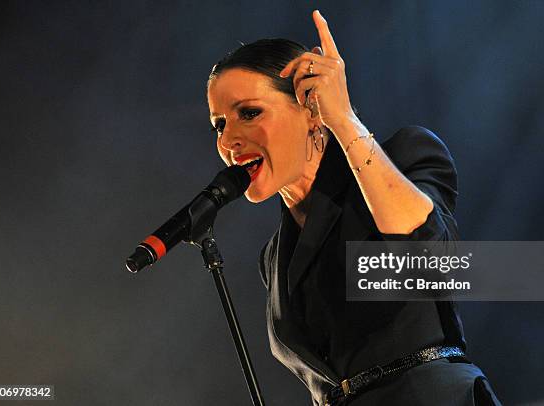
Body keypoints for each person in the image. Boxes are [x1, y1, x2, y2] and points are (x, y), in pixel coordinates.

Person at [206, 9, 501, 406]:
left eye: (249, 113)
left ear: (310, 109)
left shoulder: (406, 154)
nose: (228, 140)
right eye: (219, 124)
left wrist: (342, 120)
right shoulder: (274, 256)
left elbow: (432, 257)